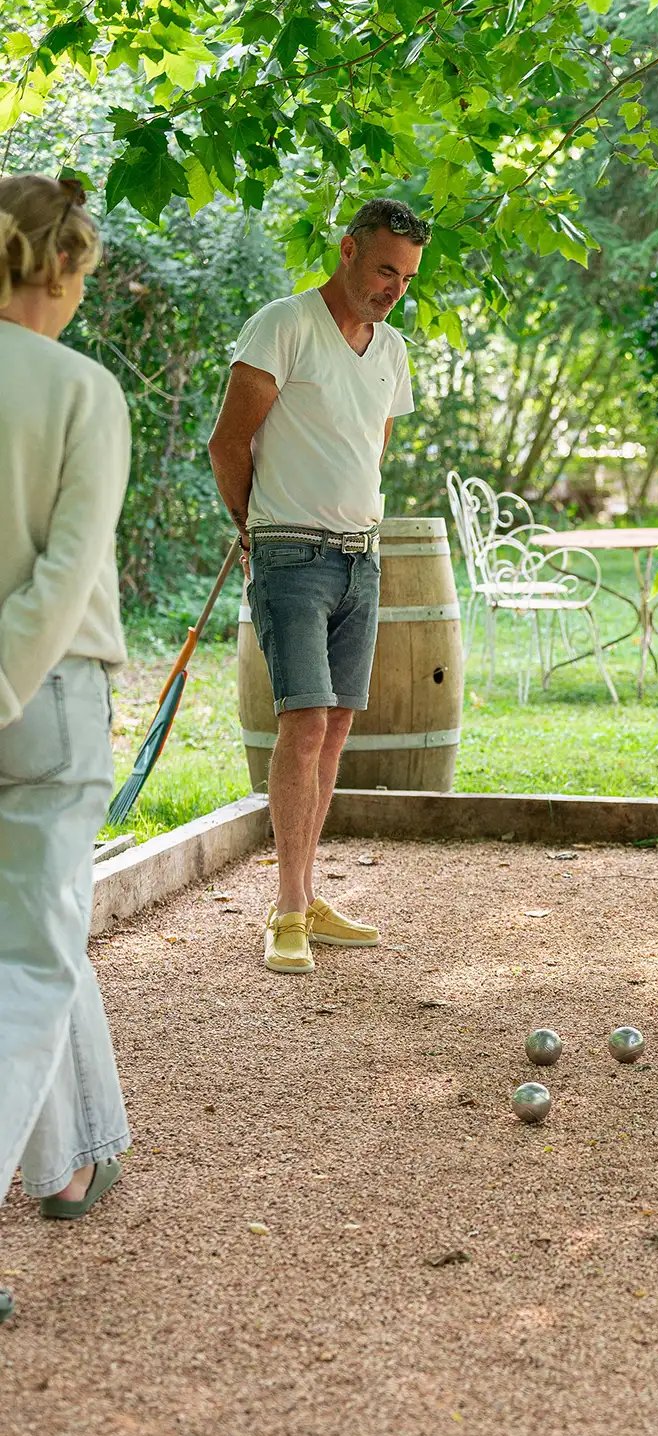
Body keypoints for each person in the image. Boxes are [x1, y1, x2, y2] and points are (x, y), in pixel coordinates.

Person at [208, 198, 425, 974]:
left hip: (361, 558)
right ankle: (287, 914)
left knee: (332, 730)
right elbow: (228, 442)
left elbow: (370, 451)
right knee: (303, 724)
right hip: (290, 555)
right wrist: (253, 528)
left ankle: (303, 893)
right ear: (346, 250)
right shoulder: (284, 324)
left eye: (404, 277)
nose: (392, 286)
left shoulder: (393, 348)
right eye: (383, 269)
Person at [0, 173, 133, 1324]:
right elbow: (68, 571)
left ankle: (70, 1160)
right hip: (43, 698)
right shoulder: (82, 389)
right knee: (31, 963)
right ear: (59, 268)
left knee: (33, 937)